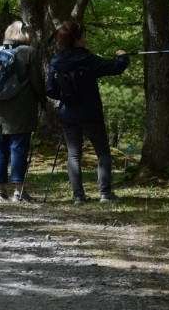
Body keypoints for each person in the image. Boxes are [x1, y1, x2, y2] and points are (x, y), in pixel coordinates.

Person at [45, 21, 129, 204]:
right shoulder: (87, 58)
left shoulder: (56, 61)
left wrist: (64, 96)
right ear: (76, 39)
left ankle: (78, 196)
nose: (85, 39)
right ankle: (105, 194)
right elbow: (114, 67)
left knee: (74, 155)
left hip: (67, 114)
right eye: (83, 35)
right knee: (103, 153)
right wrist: (122, 57)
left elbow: (50, 90)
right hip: (91, 112)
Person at [0, 21, 45, 202]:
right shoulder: (30, 53)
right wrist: (44, 101)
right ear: (26, 35)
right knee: (19, 150)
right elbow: (37, 82)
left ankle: (0, 190)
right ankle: (19, 191)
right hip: (21, 110)